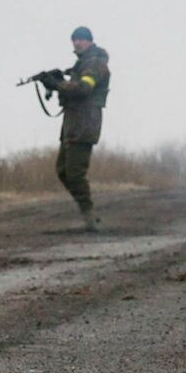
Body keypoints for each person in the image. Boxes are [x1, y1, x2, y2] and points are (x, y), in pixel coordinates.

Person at [50, 26, 110, 230]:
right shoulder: (82, 64)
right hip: (72, 123)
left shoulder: (95, 63)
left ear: (90, 41)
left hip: (84, 124)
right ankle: (87, 211)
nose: (77, 43)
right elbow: (73, 90)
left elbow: (84, 88)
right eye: (74, 39)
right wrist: (57, 83)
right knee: (63, 171)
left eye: (81, 39)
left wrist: (57, 84)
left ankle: (89, 217)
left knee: (75, 173)